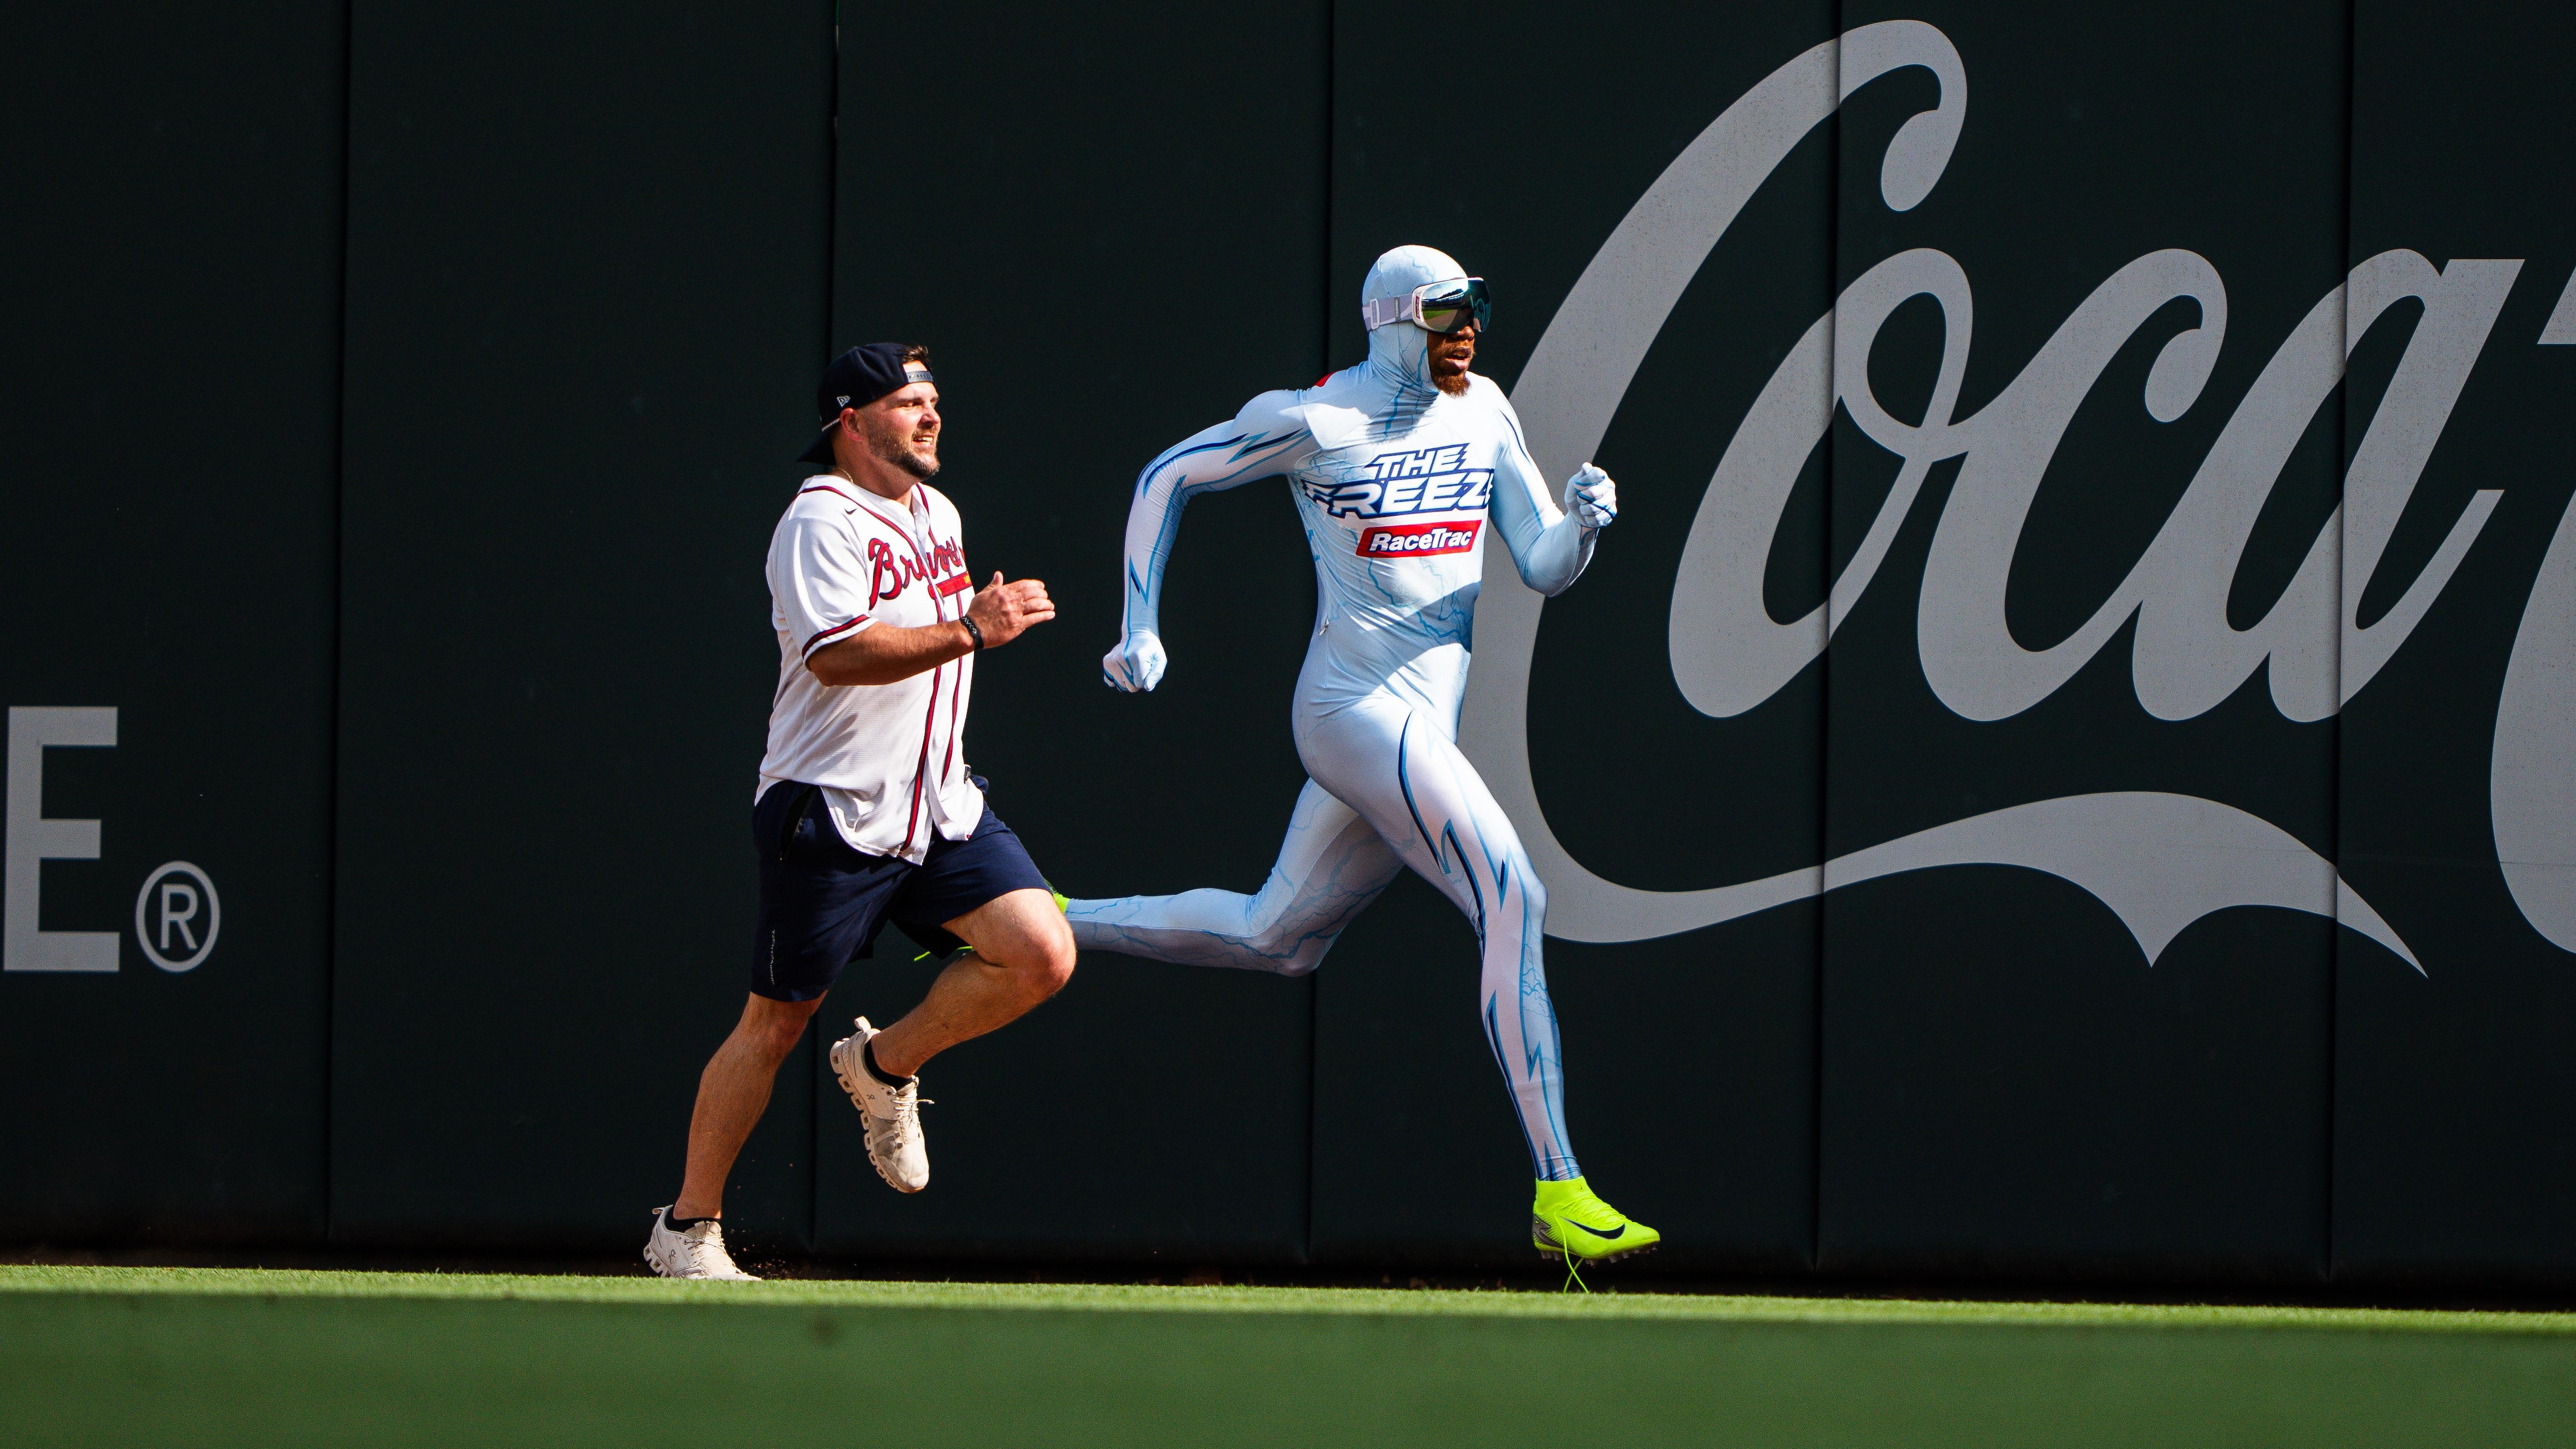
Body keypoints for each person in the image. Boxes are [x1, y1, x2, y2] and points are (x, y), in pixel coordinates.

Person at [1069, 246, 1658, 1268]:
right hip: (1350, 710)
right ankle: (1560, 1188)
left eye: (1475, 308)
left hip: (1422, 725)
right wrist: (1140, 626)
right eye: (1444, 314)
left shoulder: (1484, 410)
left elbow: (1542, 562)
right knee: (1512, 893)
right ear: (1390, 320)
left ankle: (1036, 918)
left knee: (1275, 938)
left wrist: (1587, 526)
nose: (1466, 330)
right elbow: (1169, 474)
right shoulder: (1318, 420)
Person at [646, 343, 1076, 1281]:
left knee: (1042, 952)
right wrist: (972, 626)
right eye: (906, 402)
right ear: (851, 420)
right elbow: (837, 655)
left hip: (938, 804)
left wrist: (973, 619)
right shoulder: (819, 520)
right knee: (774, 1025)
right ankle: (688, 1226)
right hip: (831, 811)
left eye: (933, 401)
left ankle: (882, 1067)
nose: (929, 416)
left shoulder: (939, 511)